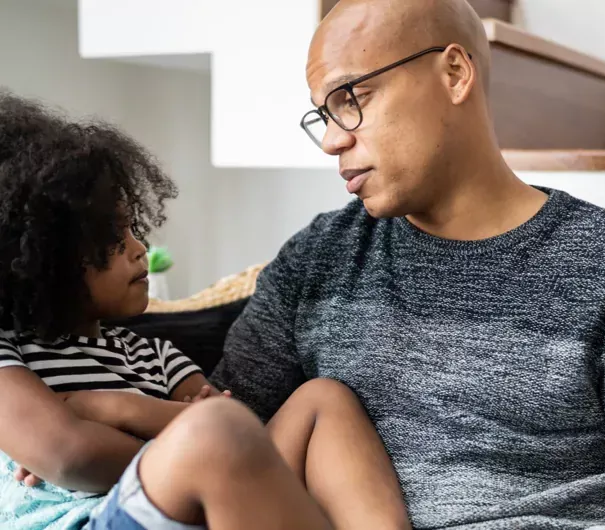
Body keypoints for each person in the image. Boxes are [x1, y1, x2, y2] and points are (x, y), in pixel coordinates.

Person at [211, 0, 605, 528]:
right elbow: (222, 434)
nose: (333, 139)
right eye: (324, 113)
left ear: (455, 73)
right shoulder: (317, 259)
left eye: (352, 98)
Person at [0, 91, 410, 530]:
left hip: (195, 503)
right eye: (111, 241)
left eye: (133, 230)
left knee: (325, 397)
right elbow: (69, 456)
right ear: (41, 260)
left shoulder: (153, 356)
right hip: (89, 521)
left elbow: (238, 428)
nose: (140, 250)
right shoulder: (10, 355)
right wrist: (193, 440)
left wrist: (112, 409)